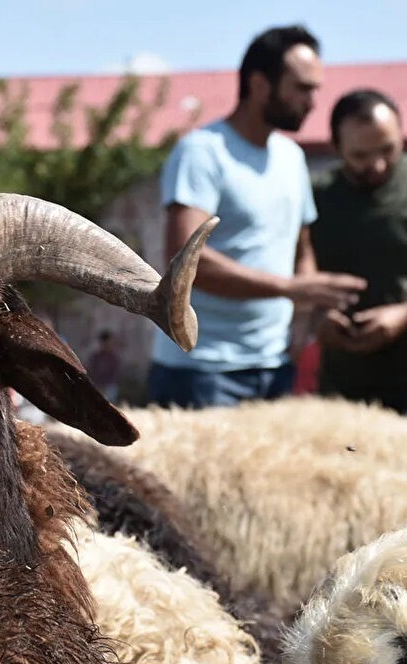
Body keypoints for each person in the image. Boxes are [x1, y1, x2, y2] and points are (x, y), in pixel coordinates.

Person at [147, 24, 367, 410]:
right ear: (260, 84)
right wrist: (292, 289)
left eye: (315, 88)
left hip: (275, 367)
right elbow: (186, 259)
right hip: (201, 371)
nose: (313, 101)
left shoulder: (292, 158)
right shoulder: (202, 152)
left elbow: (301, 251)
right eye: (302, 88)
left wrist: (308, 313)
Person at [309, 89, 407, 416]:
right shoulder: (316, 196)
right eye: (360, 156)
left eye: (388, 149)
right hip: (344, 393)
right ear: (336, 147)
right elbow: (298, 278)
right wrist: (318, 319)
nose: (378, 165)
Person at [87, 329, 122, 403]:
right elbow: (92, 372)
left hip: (109, 387)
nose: (107, 345)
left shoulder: (114, 358)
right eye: (105, 343)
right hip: (97, 386)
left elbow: (114, 376)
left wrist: (105, 386)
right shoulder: (96, 357)